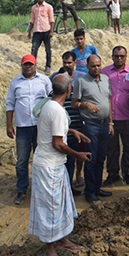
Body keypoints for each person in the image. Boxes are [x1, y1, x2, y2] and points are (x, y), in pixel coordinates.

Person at [28, 73, 91, 256]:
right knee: (51, 207)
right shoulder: (55, 110)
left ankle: (63, 240)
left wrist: (70, 130)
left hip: (54, 165)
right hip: (49, 166)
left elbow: (52, 129)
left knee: (61, 204)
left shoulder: (49, 105)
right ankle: (49, 250)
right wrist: (77, 155)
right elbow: (58, 144)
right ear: (69, 91)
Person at [5, 54, 52, 205]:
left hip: (41, 126)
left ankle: (41, 189)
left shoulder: (44, 80)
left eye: (31, 64)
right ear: (22, 65)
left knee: (41, 158)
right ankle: (22, 189)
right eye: (26, 64)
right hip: (23, 127)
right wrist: (9, 125)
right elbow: (10, 103)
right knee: (22, 160)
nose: (28, 67)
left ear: (35, 65)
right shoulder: (15, 82)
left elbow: (52, 100)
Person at [71, 55, 114, 204]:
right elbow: (74, 103)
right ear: (87, 66)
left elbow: (108, 101)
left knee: (101, 157)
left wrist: (111, 122)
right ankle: (89, 192)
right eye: (93, 66)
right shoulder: (81, 81)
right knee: (91, 158)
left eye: (98, 65)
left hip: (104, 124)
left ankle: (97, 188)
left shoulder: (105, 79)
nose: (96, 68)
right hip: (90, 124)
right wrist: (85, 105)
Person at [50, 51, 86, 192]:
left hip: (75, 130)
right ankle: (60, 187)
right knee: (60, 160)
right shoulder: (53, 98)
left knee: (71, 160)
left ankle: (70, 186)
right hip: (59, 133)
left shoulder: (77, 92)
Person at [102, 46, 129, 186]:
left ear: (126, 57)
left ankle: (127, 174)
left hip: (128, 117)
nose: (119, 58)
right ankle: (112, 174)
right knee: (111, 148)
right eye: (116, 56)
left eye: (122, 56)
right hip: (110, 119)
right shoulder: (105, 72)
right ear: (112, 56)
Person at [28, 0, 54, 76]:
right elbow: (32, 20)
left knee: (47, 50)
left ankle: (48, 66)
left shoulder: (48, 7)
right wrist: (29, 32)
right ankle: (33, 66)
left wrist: (51, 31)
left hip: (46, 31)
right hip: (37, 31)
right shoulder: (34, 8)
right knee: (34, 49)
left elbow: (51, 20)